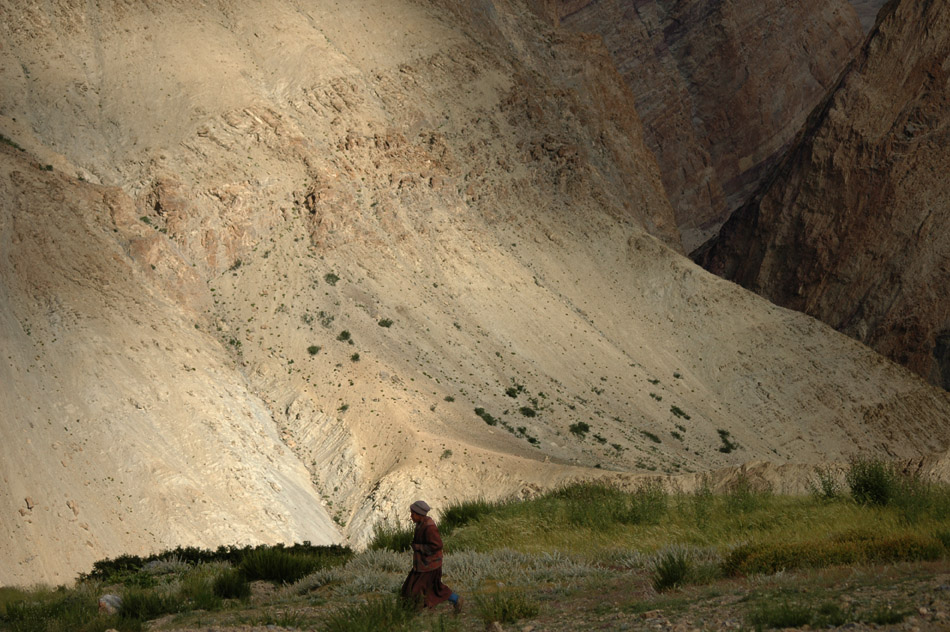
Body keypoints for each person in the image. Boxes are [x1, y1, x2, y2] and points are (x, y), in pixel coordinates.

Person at [400, 500, 462, 613]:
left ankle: (413, 616)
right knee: (413, 588)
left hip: (430, 565)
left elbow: (437, 545)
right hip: (423, 564)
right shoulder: (420, 524)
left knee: (415, 591)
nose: (411, 516)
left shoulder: (429, 527)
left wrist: (419, 547)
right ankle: (456, 599)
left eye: (413, 514)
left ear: (419, 514)